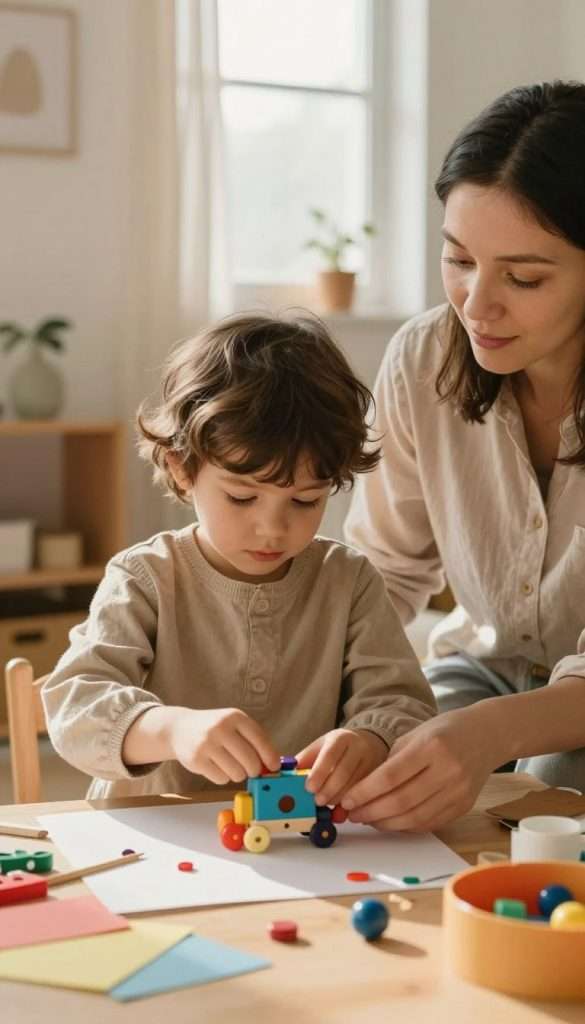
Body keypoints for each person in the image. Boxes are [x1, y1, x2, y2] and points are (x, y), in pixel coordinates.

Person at [42, 311, 436, 801]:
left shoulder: (348, 579)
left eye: (305, 500)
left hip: (299, 839)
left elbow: (403, 702)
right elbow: (76, 706)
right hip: (153, 837)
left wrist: (371, 738)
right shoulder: (145, 577)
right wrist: (172, 730)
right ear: (182, 468)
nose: (273, 528)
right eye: (243, 498)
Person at [341, 80, 585, 832]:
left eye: (523, 277)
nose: (475, 304)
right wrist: (360, 712)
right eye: (457, 260)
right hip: (477, 667)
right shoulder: (423, 358)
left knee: (552, 801)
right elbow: (380, 573)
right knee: (383, 781)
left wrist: (494, 734)